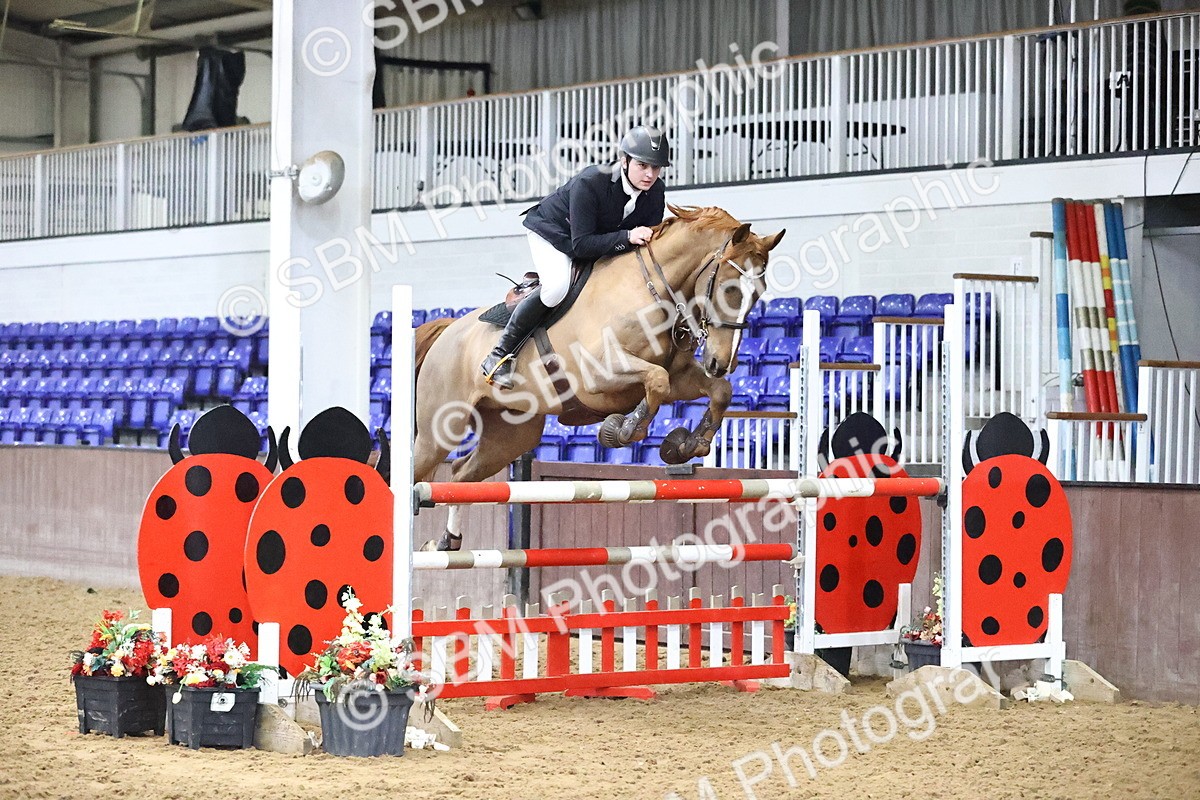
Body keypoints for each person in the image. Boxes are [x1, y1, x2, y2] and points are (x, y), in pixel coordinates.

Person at [480, 125, 670, 389]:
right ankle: (499, 354)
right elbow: (581, 246)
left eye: (656, 168)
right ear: (624, 160)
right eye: (642, 165)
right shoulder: (591, 181)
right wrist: (626, 237)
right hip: (555, 234)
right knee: (557, 287)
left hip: (598, 240)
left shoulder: (656, 192)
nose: (650, 174)